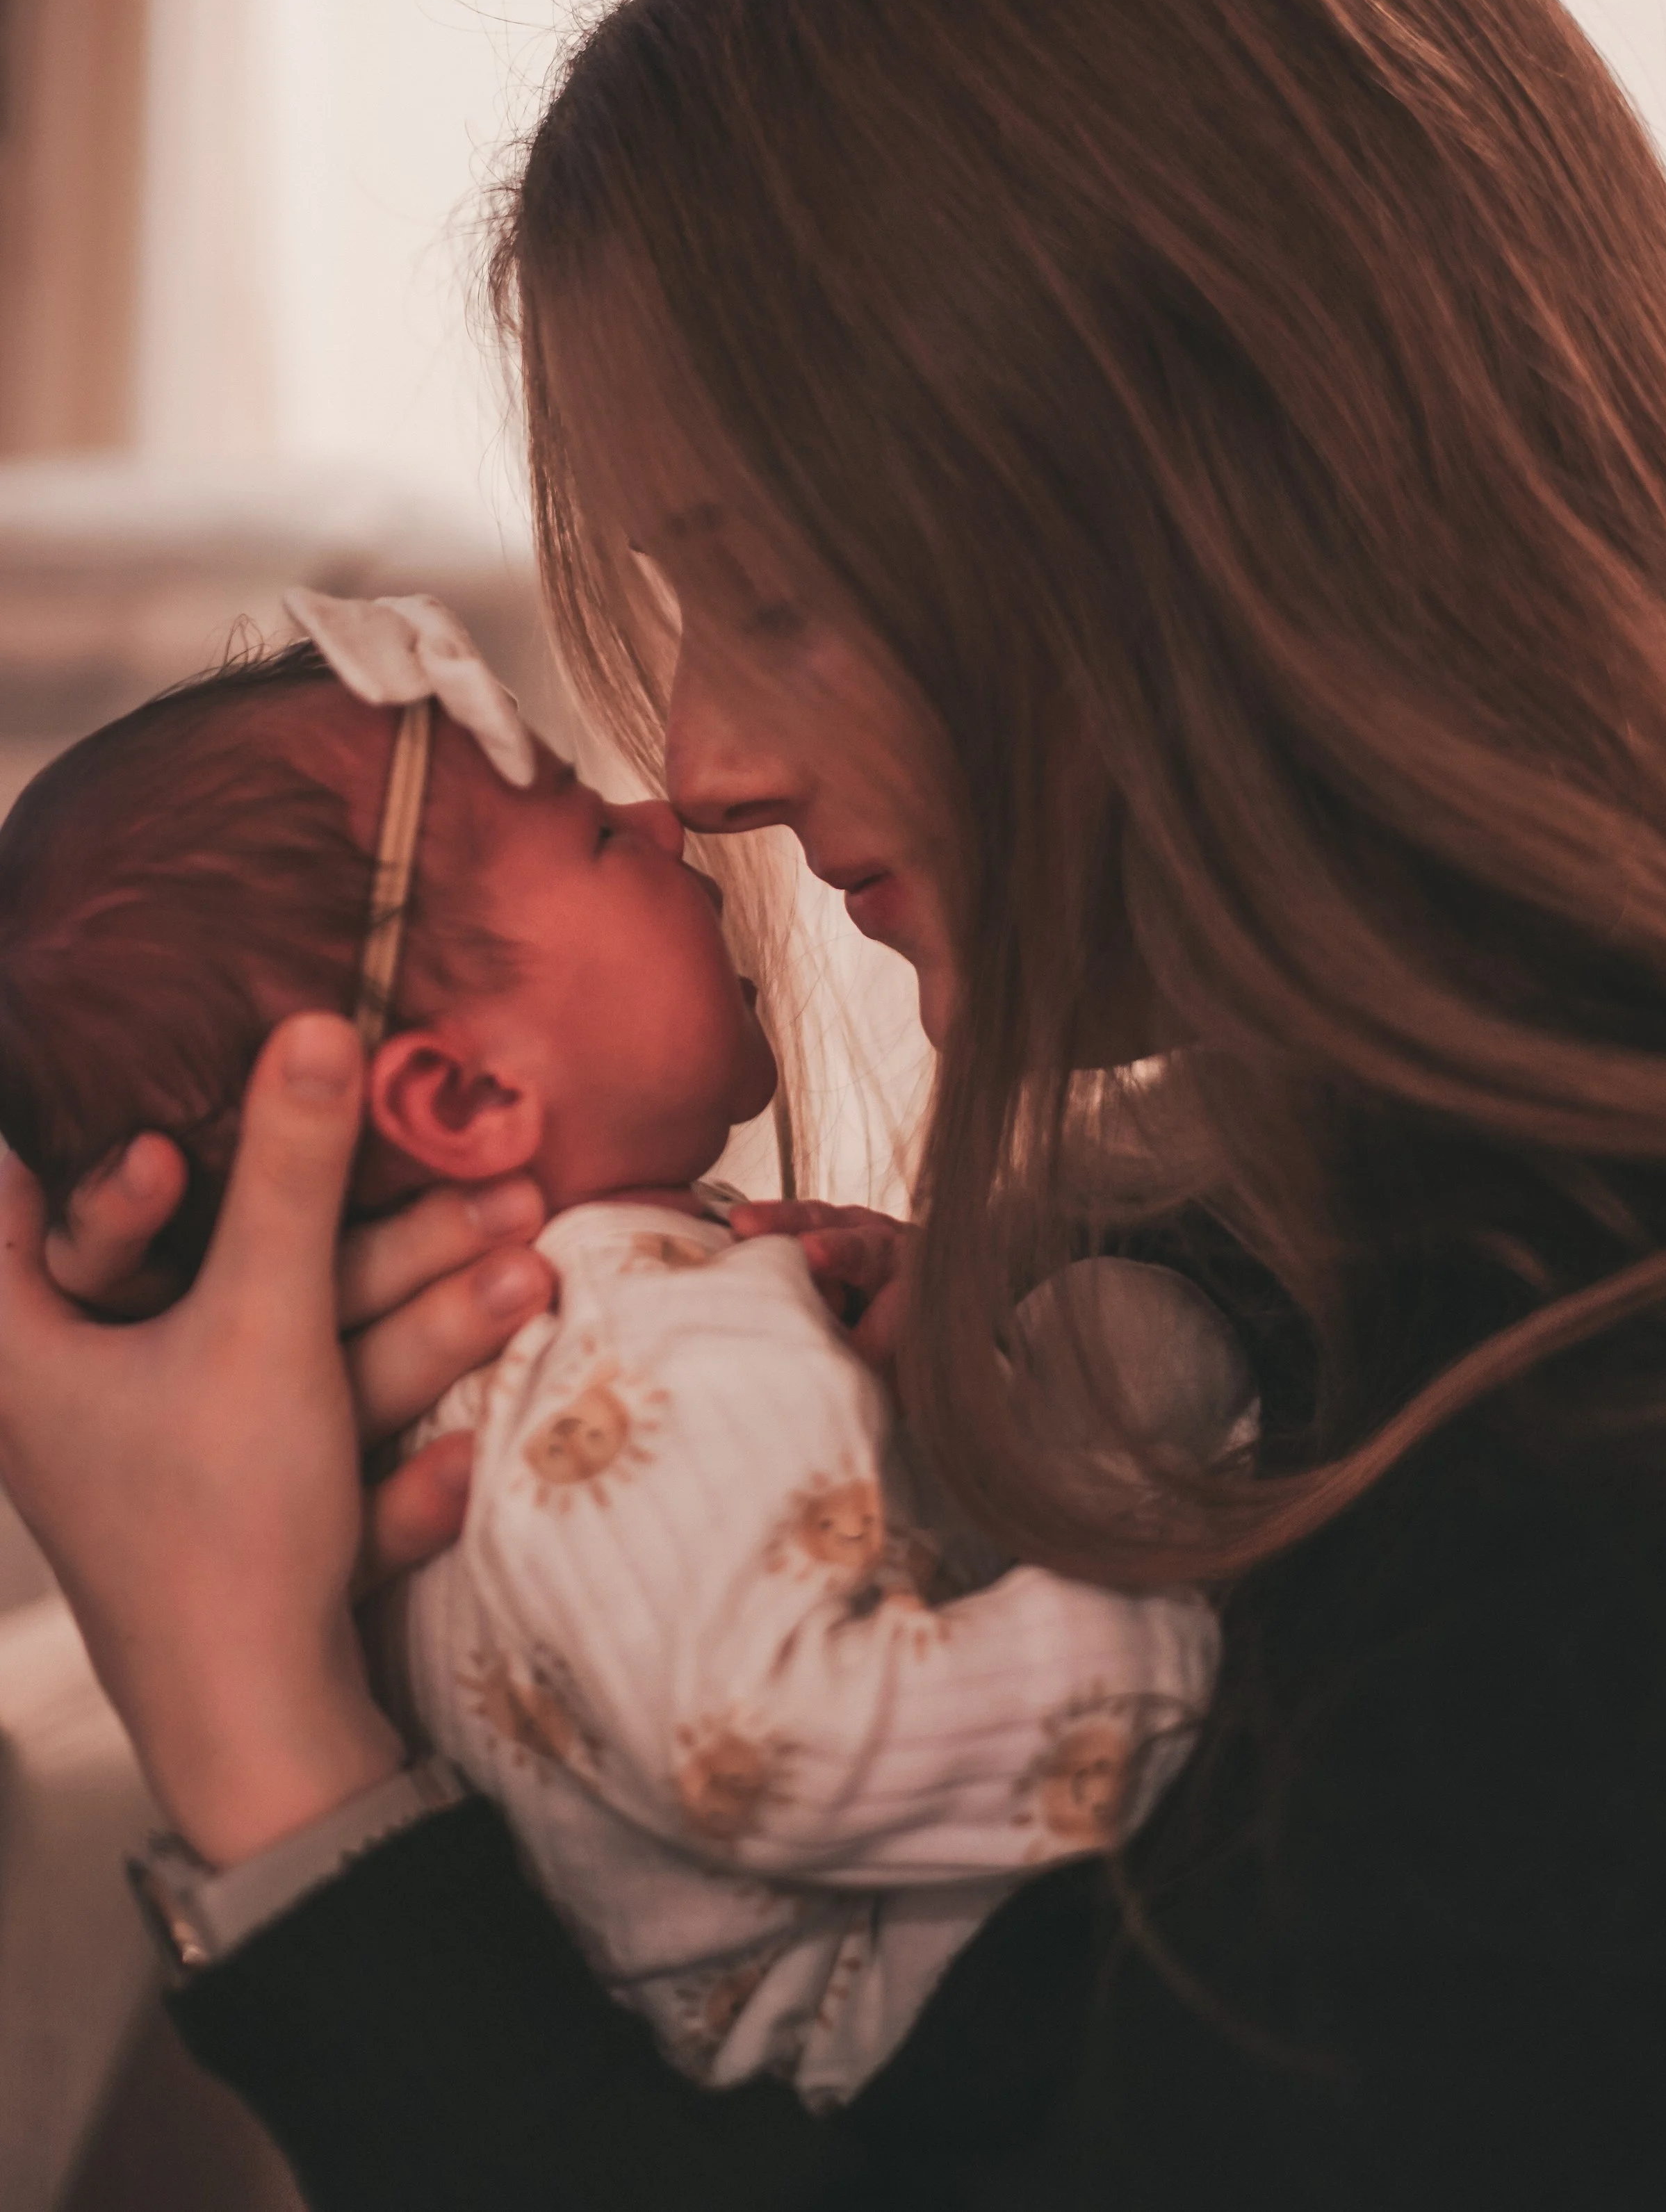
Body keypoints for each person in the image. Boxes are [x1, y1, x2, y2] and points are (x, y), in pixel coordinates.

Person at [2, 0, 1666, 2210]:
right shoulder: (1320, 1258)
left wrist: (254, 1732)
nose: (691, 760)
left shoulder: (1625, 1530)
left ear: (1202, 509)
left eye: (776, 592)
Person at [0, 593, 1227, 2109]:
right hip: (899, 2029)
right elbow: (770, 1738)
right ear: (458, 1100)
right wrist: (1179, 1651)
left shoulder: (593, 1331)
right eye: (590, 832)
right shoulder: (633, 1343)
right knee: (1139, 1340)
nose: (668, 810)